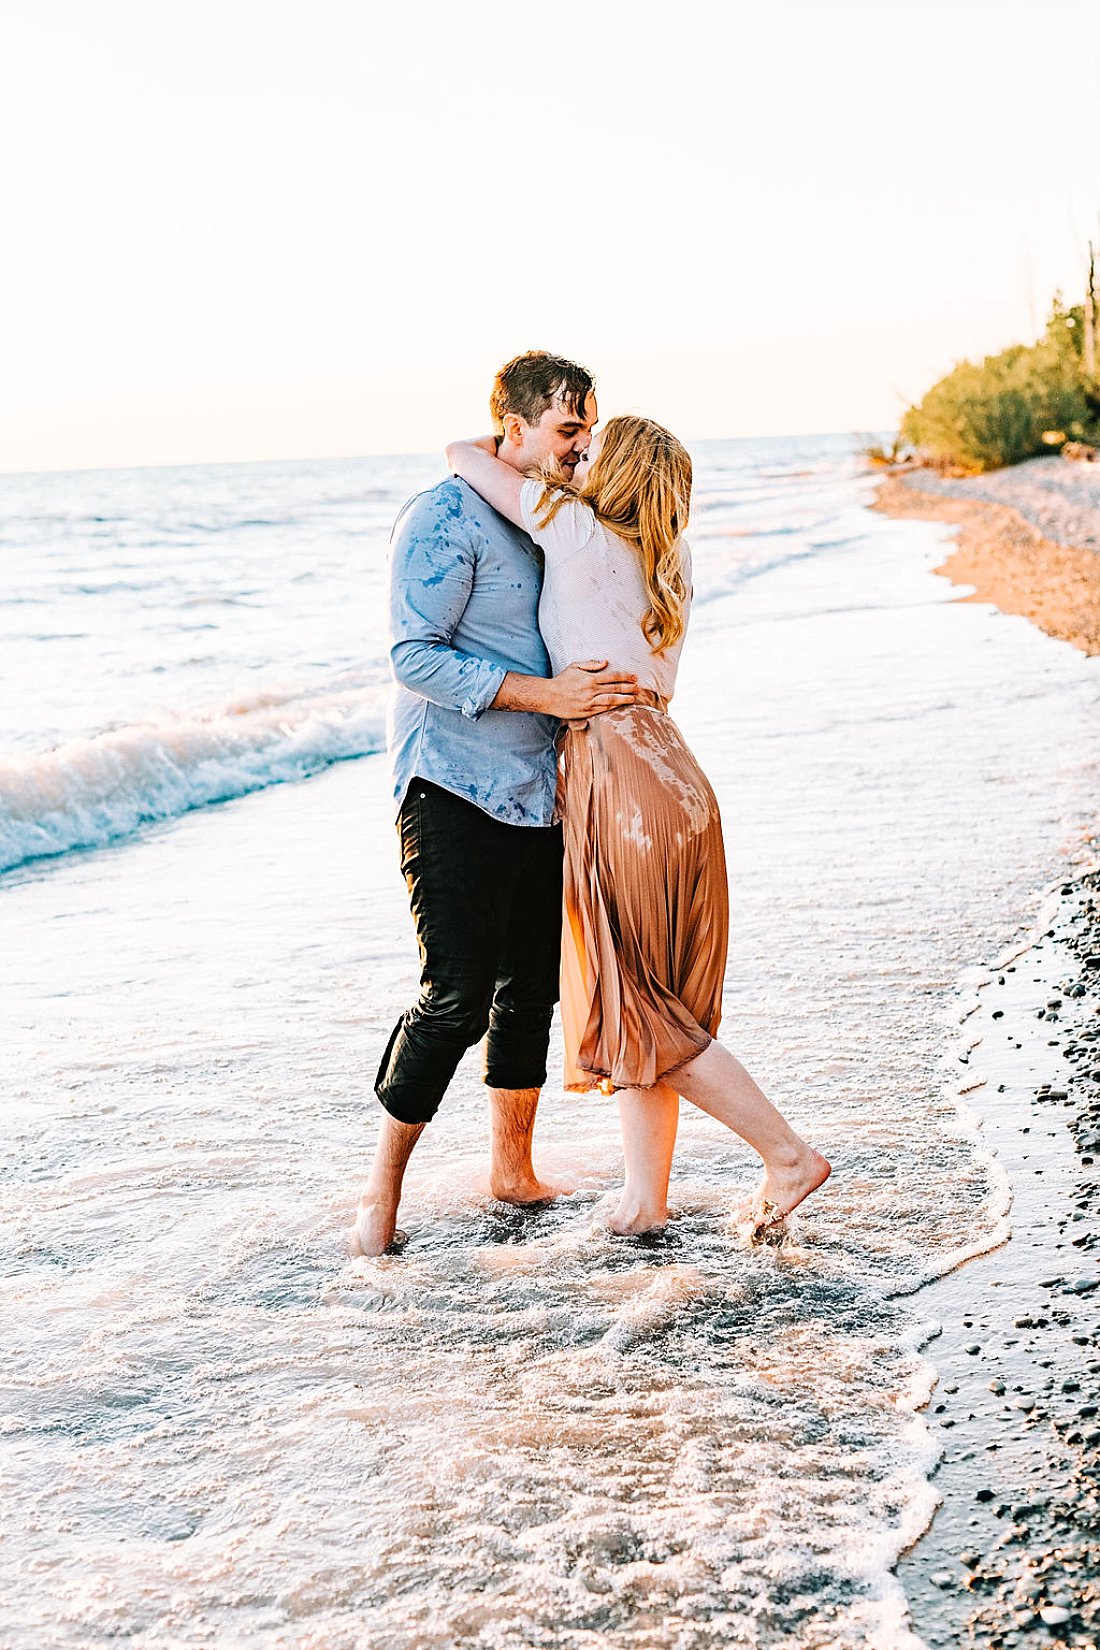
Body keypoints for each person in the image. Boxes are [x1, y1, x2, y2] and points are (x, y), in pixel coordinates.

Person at [445, 415, 831, 1237]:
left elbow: (461, 456)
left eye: (589, 446)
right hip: (678, 780)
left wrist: (535, 438)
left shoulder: (575, 531)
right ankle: (642, 1203)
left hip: (618, 781)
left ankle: (788, 1156)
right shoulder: (673, 560)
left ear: (610, 471)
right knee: (653, 998)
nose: (576, 455)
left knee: (640, 1004)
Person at [353, 352, 644, 1257]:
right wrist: (546, 694)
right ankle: (379, 1199)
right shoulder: (443, 514)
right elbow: (414, 657)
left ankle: (511, 1172)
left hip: (545, 790)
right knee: (456, 996)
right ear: (509, 428)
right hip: (451, 782)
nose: (581, 447)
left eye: (588, 430)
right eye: (567, 431)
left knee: (534, 992)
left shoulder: (557, 513)